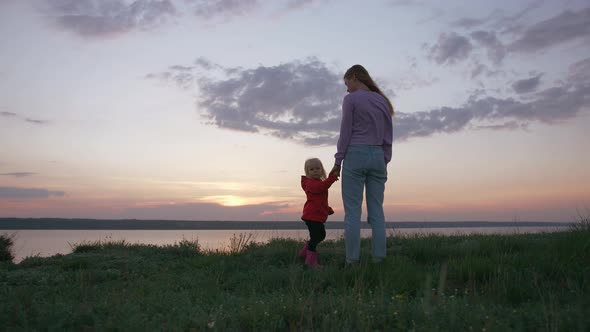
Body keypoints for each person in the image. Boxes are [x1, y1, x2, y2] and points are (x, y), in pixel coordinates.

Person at [329, 64, 394, 264]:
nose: (346, 88)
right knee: (377, 211)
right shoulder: (383, 101)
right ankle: (379, 260)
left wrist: (338, 161)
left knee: (353, 212)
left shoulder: (351, 99)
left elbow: (345, 132)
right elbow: (388, 135)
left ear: (355, 77)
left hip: (355, 154)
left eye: (346, 82)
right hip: (377, 155)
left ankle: (352, 261)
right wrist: (385, 159)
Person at [299, 157, 339, 268]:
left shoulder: (317, 182)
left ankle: (305, 252)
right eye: (312, 169)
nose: (315, 171)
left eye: (318, 168)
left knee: (321, 235)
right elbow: (320, 188)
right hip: (311, 216)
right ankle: (310, 262)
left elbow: (319, 200)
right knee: (316, 236)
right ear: (307, 172)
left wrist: (327, 209)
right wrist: (332, 178)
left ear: (322, 170)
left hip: (316, 215)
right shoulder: (310, 183)